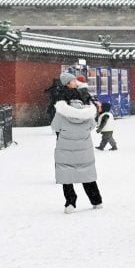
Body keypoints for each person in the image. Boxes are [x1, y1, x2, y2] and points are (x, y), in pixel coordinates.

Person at [52, 73, 103, 213]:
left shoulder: (61, 112)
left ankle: (70, 203)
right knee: (87, 174)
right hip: (84, 148)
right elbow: (92, 126)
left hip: (65, 148)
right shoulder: (87, 112)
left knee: (67, 176)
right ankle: (96, 201)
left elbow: (55, 127)